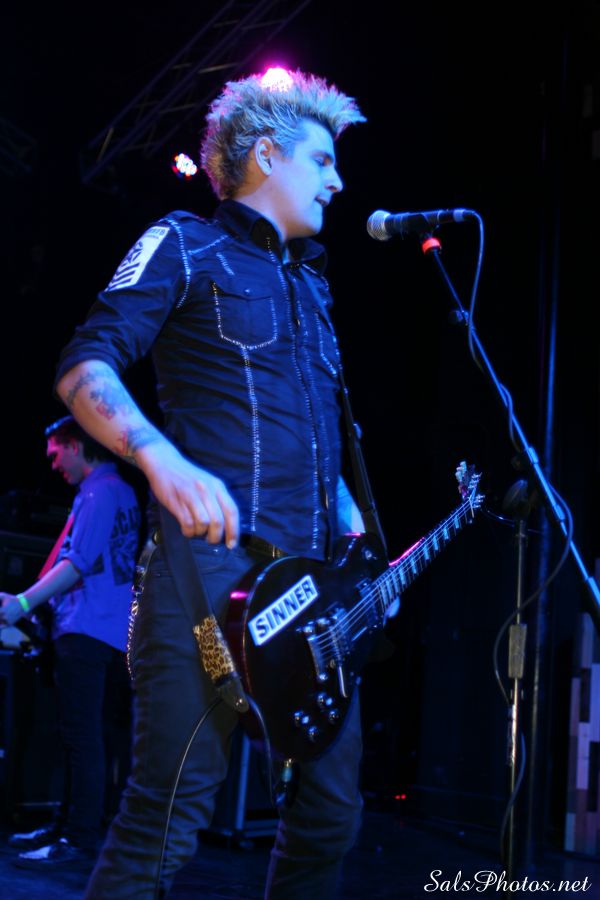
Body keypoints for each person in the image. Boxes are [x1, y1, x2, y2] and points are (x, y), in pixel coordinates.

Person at [54, 68, 369, 898]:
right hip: (204, 583)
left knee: (332, 817)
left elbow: (316, 425)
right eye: (323, 159)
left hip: (309, 598)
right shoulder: (184, 243)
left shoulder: (313, 284)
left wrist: (344, 507)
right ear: (266, 153)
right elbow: (86, 366)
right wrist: (161, 459)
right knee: (164, 818)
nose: (338, 181)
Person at [0, 415, 140, 869]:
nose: (52, 463)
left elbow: (77, 563)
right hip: (104, 630)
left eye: (56, 453)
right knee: (84, 738)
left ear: (76, 446)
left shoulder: (100, 493)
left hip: (87, 630)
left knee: (81, 739)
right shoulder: (115, 491)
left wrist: (23, 602)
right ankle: (68, 826)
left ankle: (77, 839)